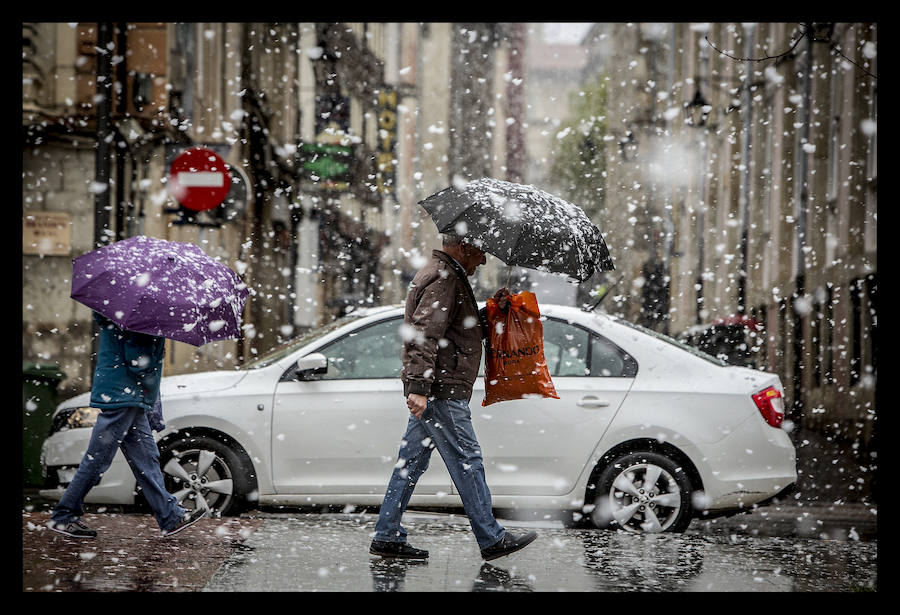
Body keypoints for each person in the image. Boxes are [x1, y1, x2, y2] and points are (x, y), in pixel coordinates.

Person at [369, 234, 537, 561]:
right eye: (481, 251)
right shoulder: (444, 278)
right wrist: (418, 386)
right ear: (463, 246)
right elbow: (424, 332)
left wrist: (493, 310)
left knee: (411, 463)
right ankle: (491, 537)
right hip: (442, 390)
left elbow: (458, 328)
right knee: (468, 460)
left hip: (438, 386)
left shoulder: (446, 275)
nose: (484, 260)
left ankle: (387, 534)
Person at [47, 312, 206, 538]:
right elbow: (138, 359)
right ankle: (63, 515)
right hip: (124, 395)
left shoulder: (125, 309)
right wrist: (154, 365)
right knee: (99, 457)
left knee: (146, 459)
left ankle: (169, 516)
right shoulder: (138, 316)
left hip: (127, 394)